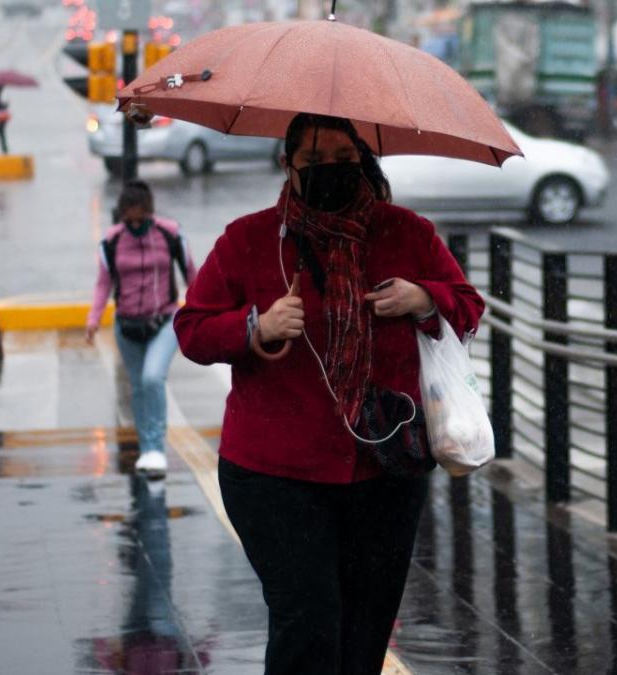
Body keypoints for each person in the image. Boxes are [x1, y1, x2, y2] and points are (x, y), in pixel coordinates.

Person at [173, 112, 484, 674]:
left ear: (362, 161)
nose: (329, 173)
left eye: (342, 161)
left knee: (365, 627)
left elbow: (468, 306)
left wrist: (424, 296)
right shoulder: (249, 239)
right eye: (314, 163)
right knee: (308, 620)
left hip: (384, 468)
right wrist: (255, 327)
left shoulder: (406, 232)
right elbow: (192, 329)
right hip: (273, 473)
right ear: (287, 166)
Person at [86, 180, 197, 477]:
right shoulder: (111, 241)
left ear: (149, 211)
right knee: (137, 388)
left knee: (152, 378)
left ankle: (156, 449)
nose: (136, 223)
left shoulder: (170, 233)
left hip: (164, 321)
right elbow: (103, 284)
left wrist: (203, 310)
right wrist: (93, 319)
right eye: (129, 218)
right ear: (121, 214)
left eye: (141, 217)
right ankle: (146, 447)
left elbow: (191, 275)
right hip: (127, 326)